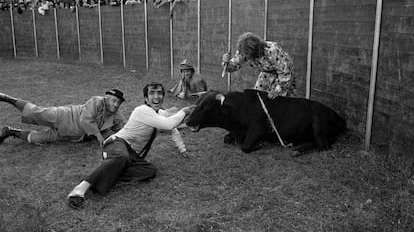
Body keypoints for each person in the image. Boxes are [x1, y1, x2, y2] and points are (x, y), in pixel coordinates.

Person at [67, 82, 195, 209]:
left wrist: (182, 149)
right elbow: (169, 124)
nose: (156, 96)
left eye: (159, 93)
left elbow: (172, 129)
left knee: (149, 170)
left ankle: (109, 173)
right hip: (117, 143)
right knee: (122, 157)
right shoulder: (142, 110)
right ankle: (79, 190)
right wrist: (184, 111)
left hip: (132, 155)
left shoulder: (160, 114)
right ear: (146, 98)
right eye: (152, 93)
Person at [0, 89, 125, 146]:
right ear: (107, 98)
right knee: (35, 112)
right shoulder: (97, 101)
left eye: (118, 102)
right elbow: (85, 120)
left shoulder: (117, 116)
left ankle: (10, 131)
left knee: (37, 138)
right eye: (114, 101)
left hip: (71, 134)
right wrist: (98, 136)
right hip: (64, 116)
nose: (116, 104)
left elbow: (122, 129)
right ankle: (7, 98)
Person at [222, 32, 295, 99]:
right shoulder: (243, 50)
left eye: (249, 56)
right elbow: (234, 65)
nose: (248, 59)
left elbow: (286, 73)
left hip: (283, 74)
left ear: (256, 50)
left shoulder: (272, 51)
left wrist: (277, 90)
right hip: (267, 72)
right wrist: (226, 64)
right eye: (245, 56)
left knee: (277, 100)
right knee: (257, 97)